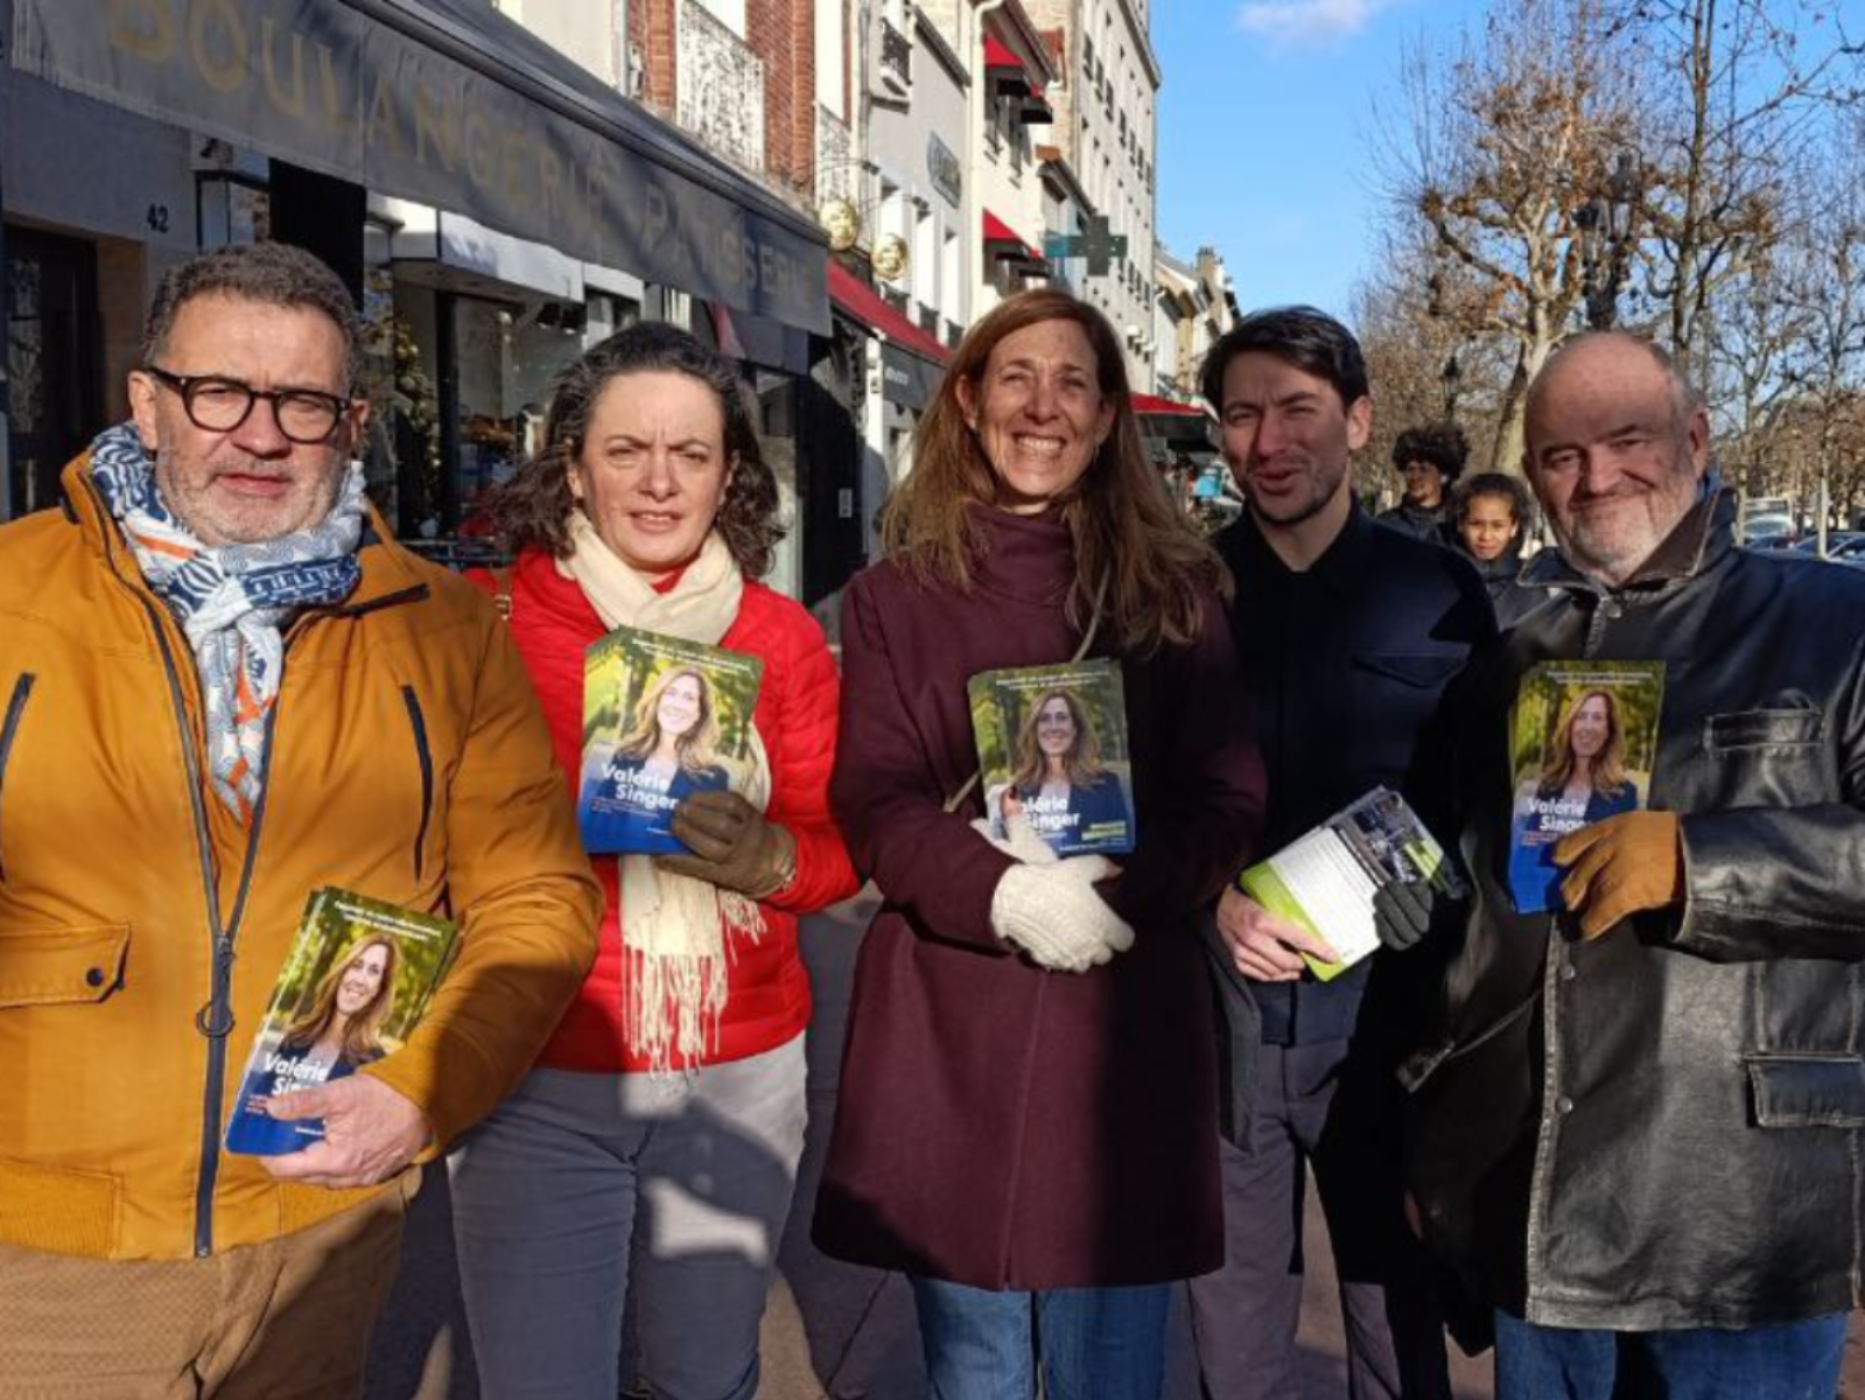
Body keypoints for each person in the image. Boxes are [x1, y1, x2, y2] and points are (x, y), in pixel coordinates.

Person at [0, 241, 601, 1396]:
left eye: (304, 401)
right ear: (148, 399)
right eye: (218, 391)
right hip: (49, 1255)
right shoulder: (14, 596)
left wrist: (423, 1084)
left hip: (322, 1236)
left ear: (353, 419)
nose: (261, 434)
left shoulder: (443, 626)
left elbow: (535, 896)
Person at [813, 288, 1266, 1400]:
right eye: (1015, 377)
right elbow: (875, 795)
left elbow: (1226, 792)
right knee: (974, 1369)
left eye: (1072, 383)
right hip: (953, 1009)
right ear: (966, 399)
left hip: (1122, 1021)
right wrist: (1002, 894)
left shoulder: (1179, 590)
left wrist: (1129, 887)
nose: (1042, 407)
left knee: (1110, 1368)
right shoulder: (888, 599)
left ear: (1108, 416)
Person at [1404, 331, 1865, 1399]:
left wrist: (1704, 862)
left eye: (1626, 439)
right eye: (1561, 454)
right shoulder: (1512, 652)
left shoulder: (1835, 618)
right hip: (1533, 1195)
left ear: (1694, 439)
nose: (1596, 475)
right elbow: (1462, 895)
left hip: (1734, 1209)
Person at [448, 321, 860, 1400]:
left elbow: (833, 854)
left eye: (691, 453)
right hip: (540, 1063)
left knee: (703, 1378)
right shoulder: (487, 623)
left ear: (731, 473)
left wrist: (771, 857)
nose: (658, 481)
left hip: (736, 1065)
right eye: (626, 449)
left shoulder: (777, 638)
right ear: (572, 464)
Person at [1189, 307, 1495, 1400]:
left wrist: (1447, 896)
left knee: (1393, 1321)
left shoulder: (1441, 593)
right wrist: (1209, 899)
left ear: (1357, 422)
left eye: (1296, 410)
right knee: (1229, 1338)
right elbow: (1137, 800)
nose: (1266, 440)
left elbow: (1484, 802)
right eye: (1239, 413)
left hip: (1384, 1021)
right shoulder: (1179, 592)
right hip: (1217, 1017)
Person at [231, 934, 400, 1156]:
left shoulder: (375, 1064)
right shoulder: (296, 1038)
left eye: (374, 971)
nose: (360, 978)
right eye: (357, 965)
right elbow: (255, 1107)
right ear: (343, 972)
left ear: (379, 989)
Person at [994, 688, 1132, 853]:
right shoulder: (1017, 792)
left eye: (1062, 717)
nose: (1053, 727)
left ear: (1075, 728)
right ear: (1034, 731)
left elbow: (1122, 847)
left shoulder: (1106, 785)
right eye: (1044, 719)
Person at [1449, 471, 1541, 626]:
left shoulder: (1530, 588)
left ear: (1514, 527)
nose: (1486, 536)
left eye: (1498, 526)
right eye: (1476, 524)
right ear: (1460, 523)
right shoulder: (1438, 579)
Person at [1377, 422, 1469, 543]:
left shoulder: (1460, 527)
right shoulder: (1385, 526)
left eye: (1423, 469)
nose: (1415, 476)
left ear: (1444, 476)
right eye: (1410, 469)